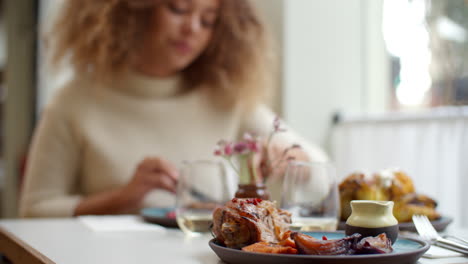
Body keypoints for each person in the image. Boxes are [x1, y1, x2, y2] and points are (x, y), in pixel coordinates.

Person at [19, 0, 328, 218]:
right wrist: (124, 197)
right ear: (132, 10)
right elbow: (34, 211)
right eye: (178, 8)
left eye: (207, 19)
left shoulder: (227, 99)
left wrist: (294, 160)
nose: (193, 28)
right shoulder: (73, 101)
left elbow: (322, 176)